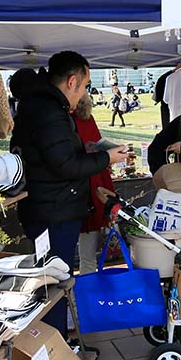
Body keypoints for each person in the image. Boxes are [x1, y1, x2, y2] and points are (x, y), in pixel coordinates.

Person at [9, 52, 129, 333]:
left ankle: (55, 346)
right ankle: (56, 349)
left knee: (52, 280)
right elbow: (64, 165)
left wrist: (85, 150)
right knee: (54, 282)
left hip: (50, 207)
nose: (85, 92)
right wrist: (105, 159)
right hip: (53, 211)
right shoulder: (49, 110)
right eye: (85, 85)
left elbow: (56, 155)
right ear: (72, 81)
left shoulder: (43, 106)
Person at [72, 94, 115, 275]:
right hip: (94, 186)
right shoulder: (86, 119)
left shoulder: (70, 121)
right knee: (88, 254)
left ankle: (85, 293)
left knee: (85, 254)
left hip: (84, 188)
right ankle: (88, 293)